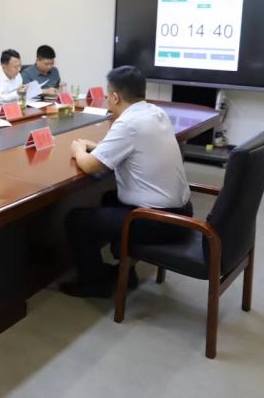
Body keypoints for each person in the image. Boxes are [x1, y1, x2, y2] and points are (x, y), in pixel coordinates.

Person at [60, 66, 193, 298]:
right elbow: (131, 147)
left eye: (107, 95)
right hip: (182, 212)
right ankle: (125, 271)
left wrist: (78, 149)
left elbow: (90, 165)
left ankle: (93, 284)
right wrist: (97, 148)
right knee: (109, 198)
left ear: (115, 97)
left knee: (76, 220)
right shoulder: (155, 112)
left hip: (161, 221)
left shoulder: (128, 123)